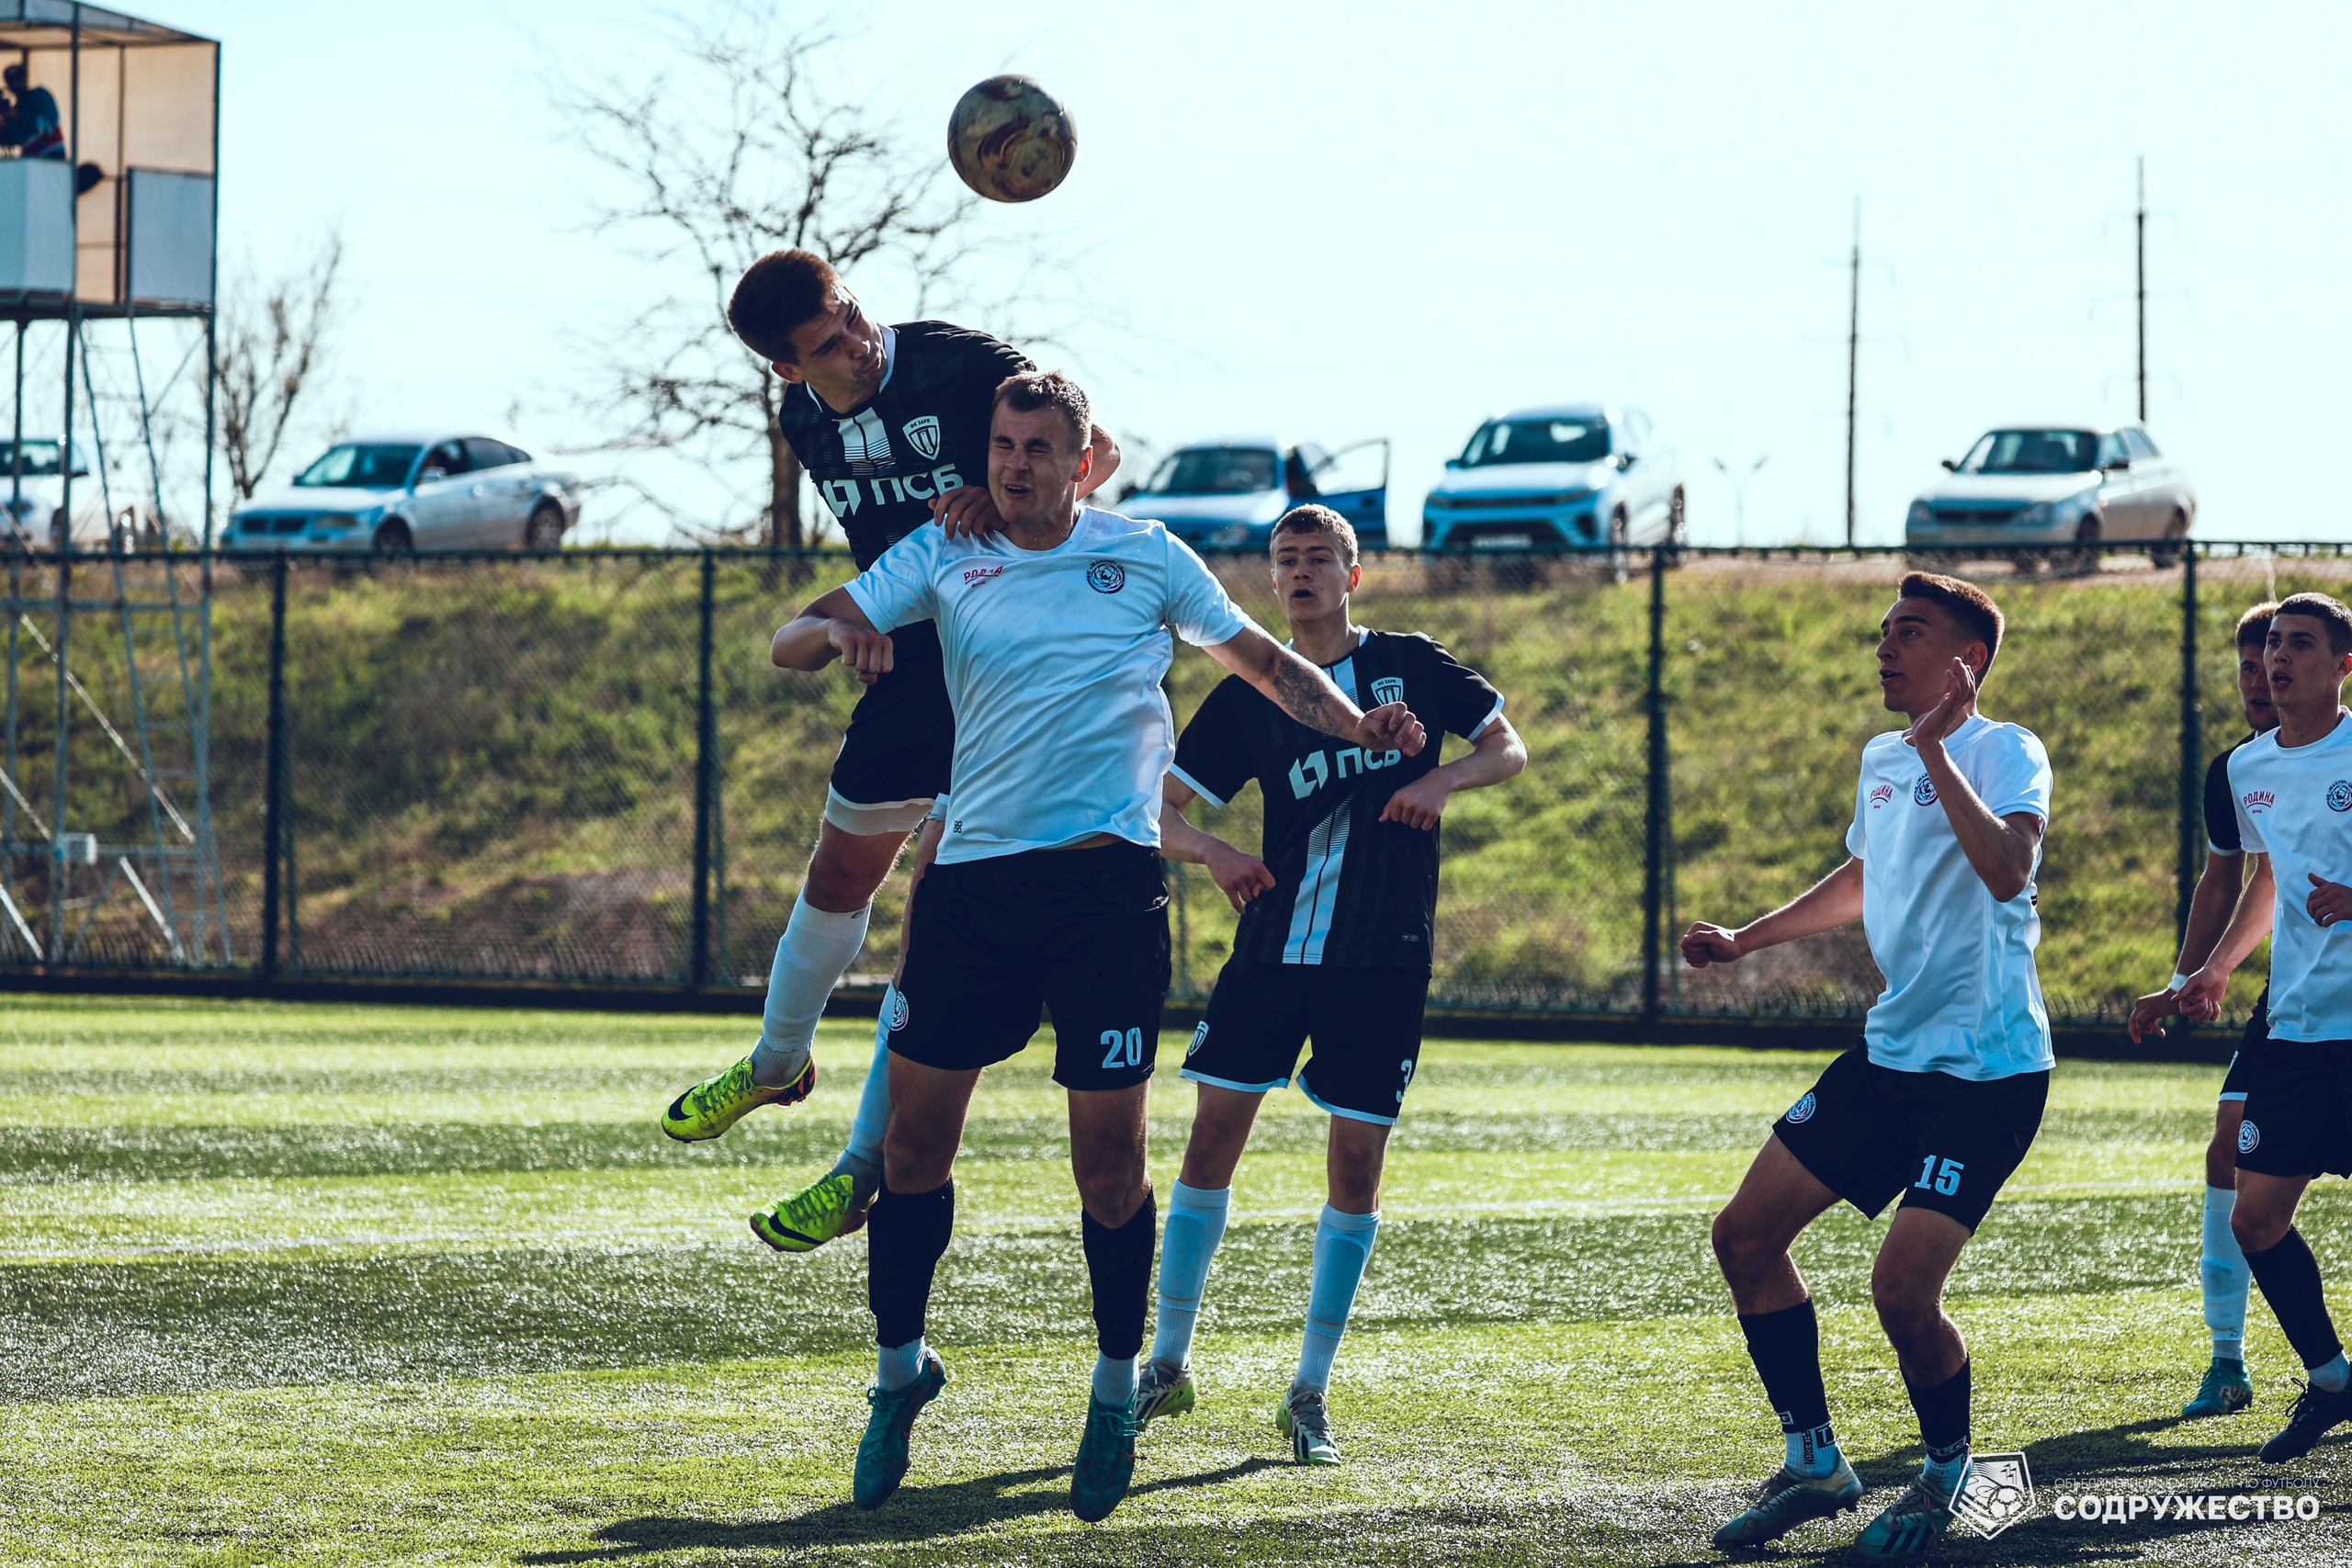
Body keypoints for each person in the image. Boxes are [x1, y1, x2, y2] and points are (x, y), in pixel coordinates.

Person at [769, 371, 1424, 1519]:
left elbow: (1269, 668)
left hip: (1106, 904)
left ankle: (1115, 1388)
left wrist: (1358, 721)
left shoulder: (1149, 555)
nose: (1012, 464)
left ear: (1085, 461)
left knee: (1109, 1170)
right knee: (914, 1157)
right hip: (970, 894)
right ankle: (894, 1378)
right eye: (1000, 444)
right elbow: (795, 637)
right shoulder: (942, 550)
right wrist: (839, 639)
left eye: (1037, 448)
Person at [658, 250, 1121, 1258]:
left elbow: (1104, 455)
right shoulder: (803, 420)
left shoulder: (960, 363)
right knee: (837, 871)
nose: (857, 343)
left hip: (1003, 673)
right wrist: (861, 620)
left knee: (930, 929)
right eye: (826, 345)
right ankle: (778, 1062)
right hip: (909, 658)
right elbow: (884, 553)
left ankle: (858, 1172)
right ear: (789, 371)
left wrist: (999, 504)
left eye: (853, 317)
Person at [1133, 504, 1523, 1465]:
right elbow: (1159, 811)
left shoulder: (1412, 666)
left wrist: (1439, 783)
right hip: (1271, 952)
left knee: (1354, 1169)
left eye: (1319, 558)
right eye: (1285, 560)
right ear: (1272, 579)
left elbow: (1505, 748)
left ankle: (1308, 1391)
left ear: (1353, 573)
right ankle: (1166, 1364)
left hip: (1381, 958)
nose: (1300, 573)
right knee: (1210, 1141)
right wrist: (1215, 854)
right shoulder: (1253, 686)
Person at [1681, 572, 2053, 1557]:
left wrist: (1940, 748)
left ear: (1963, 661)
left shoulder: (2005, 749)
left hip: (1986, 1075)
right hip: (1889, 1058)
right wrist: (1745, 939)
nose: (1884, 648)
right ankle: (1814, 1462)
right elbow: (1864, 875)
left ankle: (1945, 1475)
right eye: (1882, 632)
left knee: (1900, 1291)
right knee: (1743, 1239)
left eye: (1909, 633)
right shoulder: (1882, 757)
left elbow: (2008, 868)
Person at [2174, 592, 2352, 1462]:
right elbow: (2267, 879)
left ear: (2343, 664)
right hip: (2296, 1031)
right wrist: (2208, 969)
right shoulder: (2249, 770)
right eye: (2273, 644)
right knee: (2255, 1219)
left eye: (2301, 645)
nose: (2278, 659)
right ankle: (2330, 1378)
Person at [2125, 601, 2279, 1422]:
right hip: (2296, 995)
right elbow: (2232, 875)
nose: (2261, 678)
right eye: (2249, 664)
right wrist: (2190, 975)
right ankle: (2227, 1359)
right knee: (2229, 1147)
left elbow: (2279, 876)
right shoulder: (2235, 771)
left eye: (2279, 658)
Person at [0, 64, 64, 161]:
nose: (14, 84)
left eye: (17, 80)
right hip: (31, 161)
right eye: (11, 81)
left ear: (24, 79)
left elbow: (48, 125)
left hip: (52, 157)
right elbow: (13, 139)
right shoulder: (17, 107)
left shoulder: (39, 95)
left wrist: (17, 116)